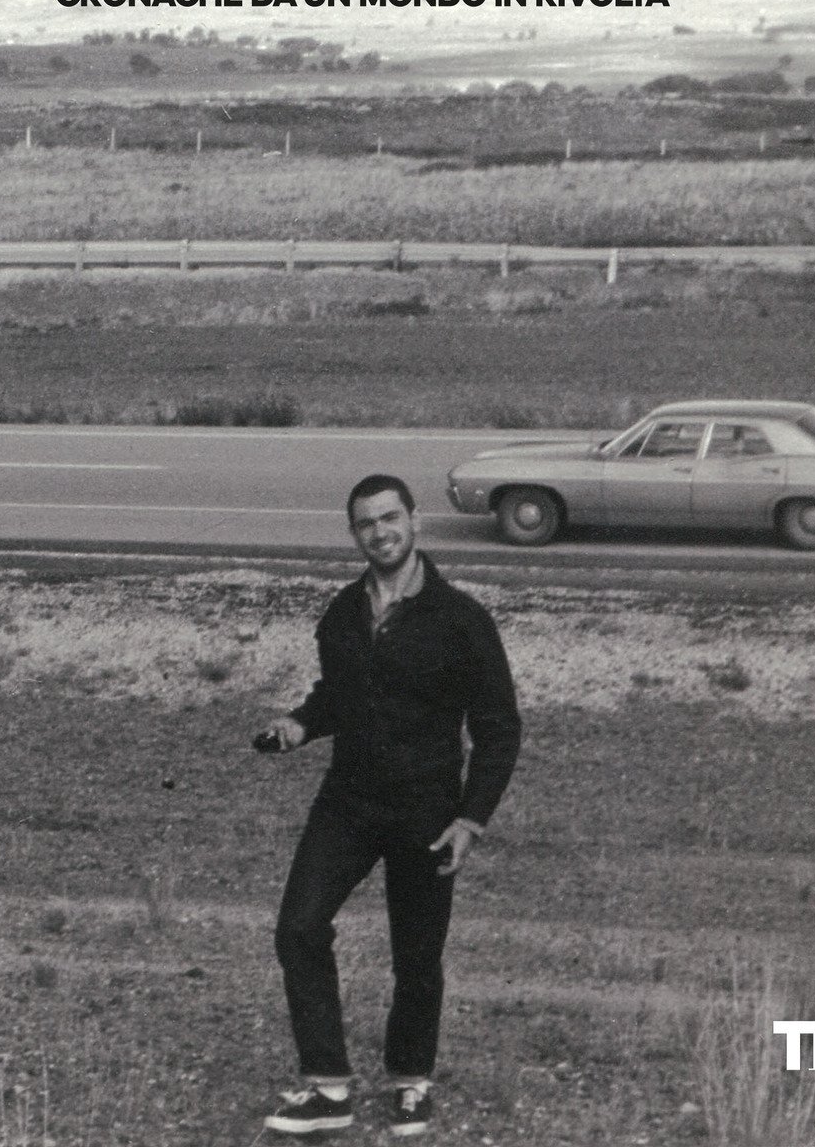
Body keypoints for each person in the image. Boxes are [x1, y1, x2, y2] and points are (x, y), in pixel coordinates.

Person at [257, 474, 521, 1138]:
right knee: (298, 928)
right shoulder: (343, 613)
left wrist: (470, 819)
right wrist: (299, 725)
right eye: (366, 523)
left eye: (390, 517)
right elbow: (338, 694)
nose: (380, 532)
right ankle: (328, 1087)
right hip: (348, 801)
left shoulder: (461, 619)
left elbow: (498, 727)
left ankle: (410, 1082)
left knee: (417, 956)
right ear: (354, 534)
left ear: (414, 521)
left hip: (427, 808)